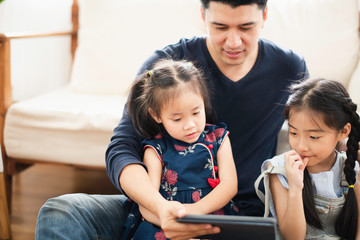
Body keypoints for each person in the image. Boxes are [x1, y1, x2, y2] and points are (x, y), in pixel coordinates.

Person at [35, 0, 308, 239]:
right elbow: (121, 148)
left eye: (246, 27)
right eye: (221, 27)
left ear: (265, 16)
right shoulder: (166, 66)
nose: (233, 41)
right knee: (60, 212)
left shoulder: (289, 68)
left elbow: (314, 134)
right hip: (156, 210)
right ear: (203, 16)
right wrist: (162, 209)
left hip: (235, 218)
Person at [121, 59, 238, 239]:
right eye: (177, 119)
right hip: (167, 223)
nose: (190, 125)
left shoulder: (219, 138)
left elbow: (229, 185)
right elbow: (147, 203)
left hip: (211, 216)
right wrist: (172, 221)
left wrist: (197, 210)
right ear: (156, 115)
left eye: (196, 112)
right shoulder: (155, 150)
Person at [255, 78, 360, 239]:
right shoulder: (280, 170)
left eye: (313, 136)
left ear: (343, 132)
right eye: (294, 133)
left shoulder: (352, 169)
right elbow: (292, 237)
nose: (301, 146)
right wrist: (295, 188)